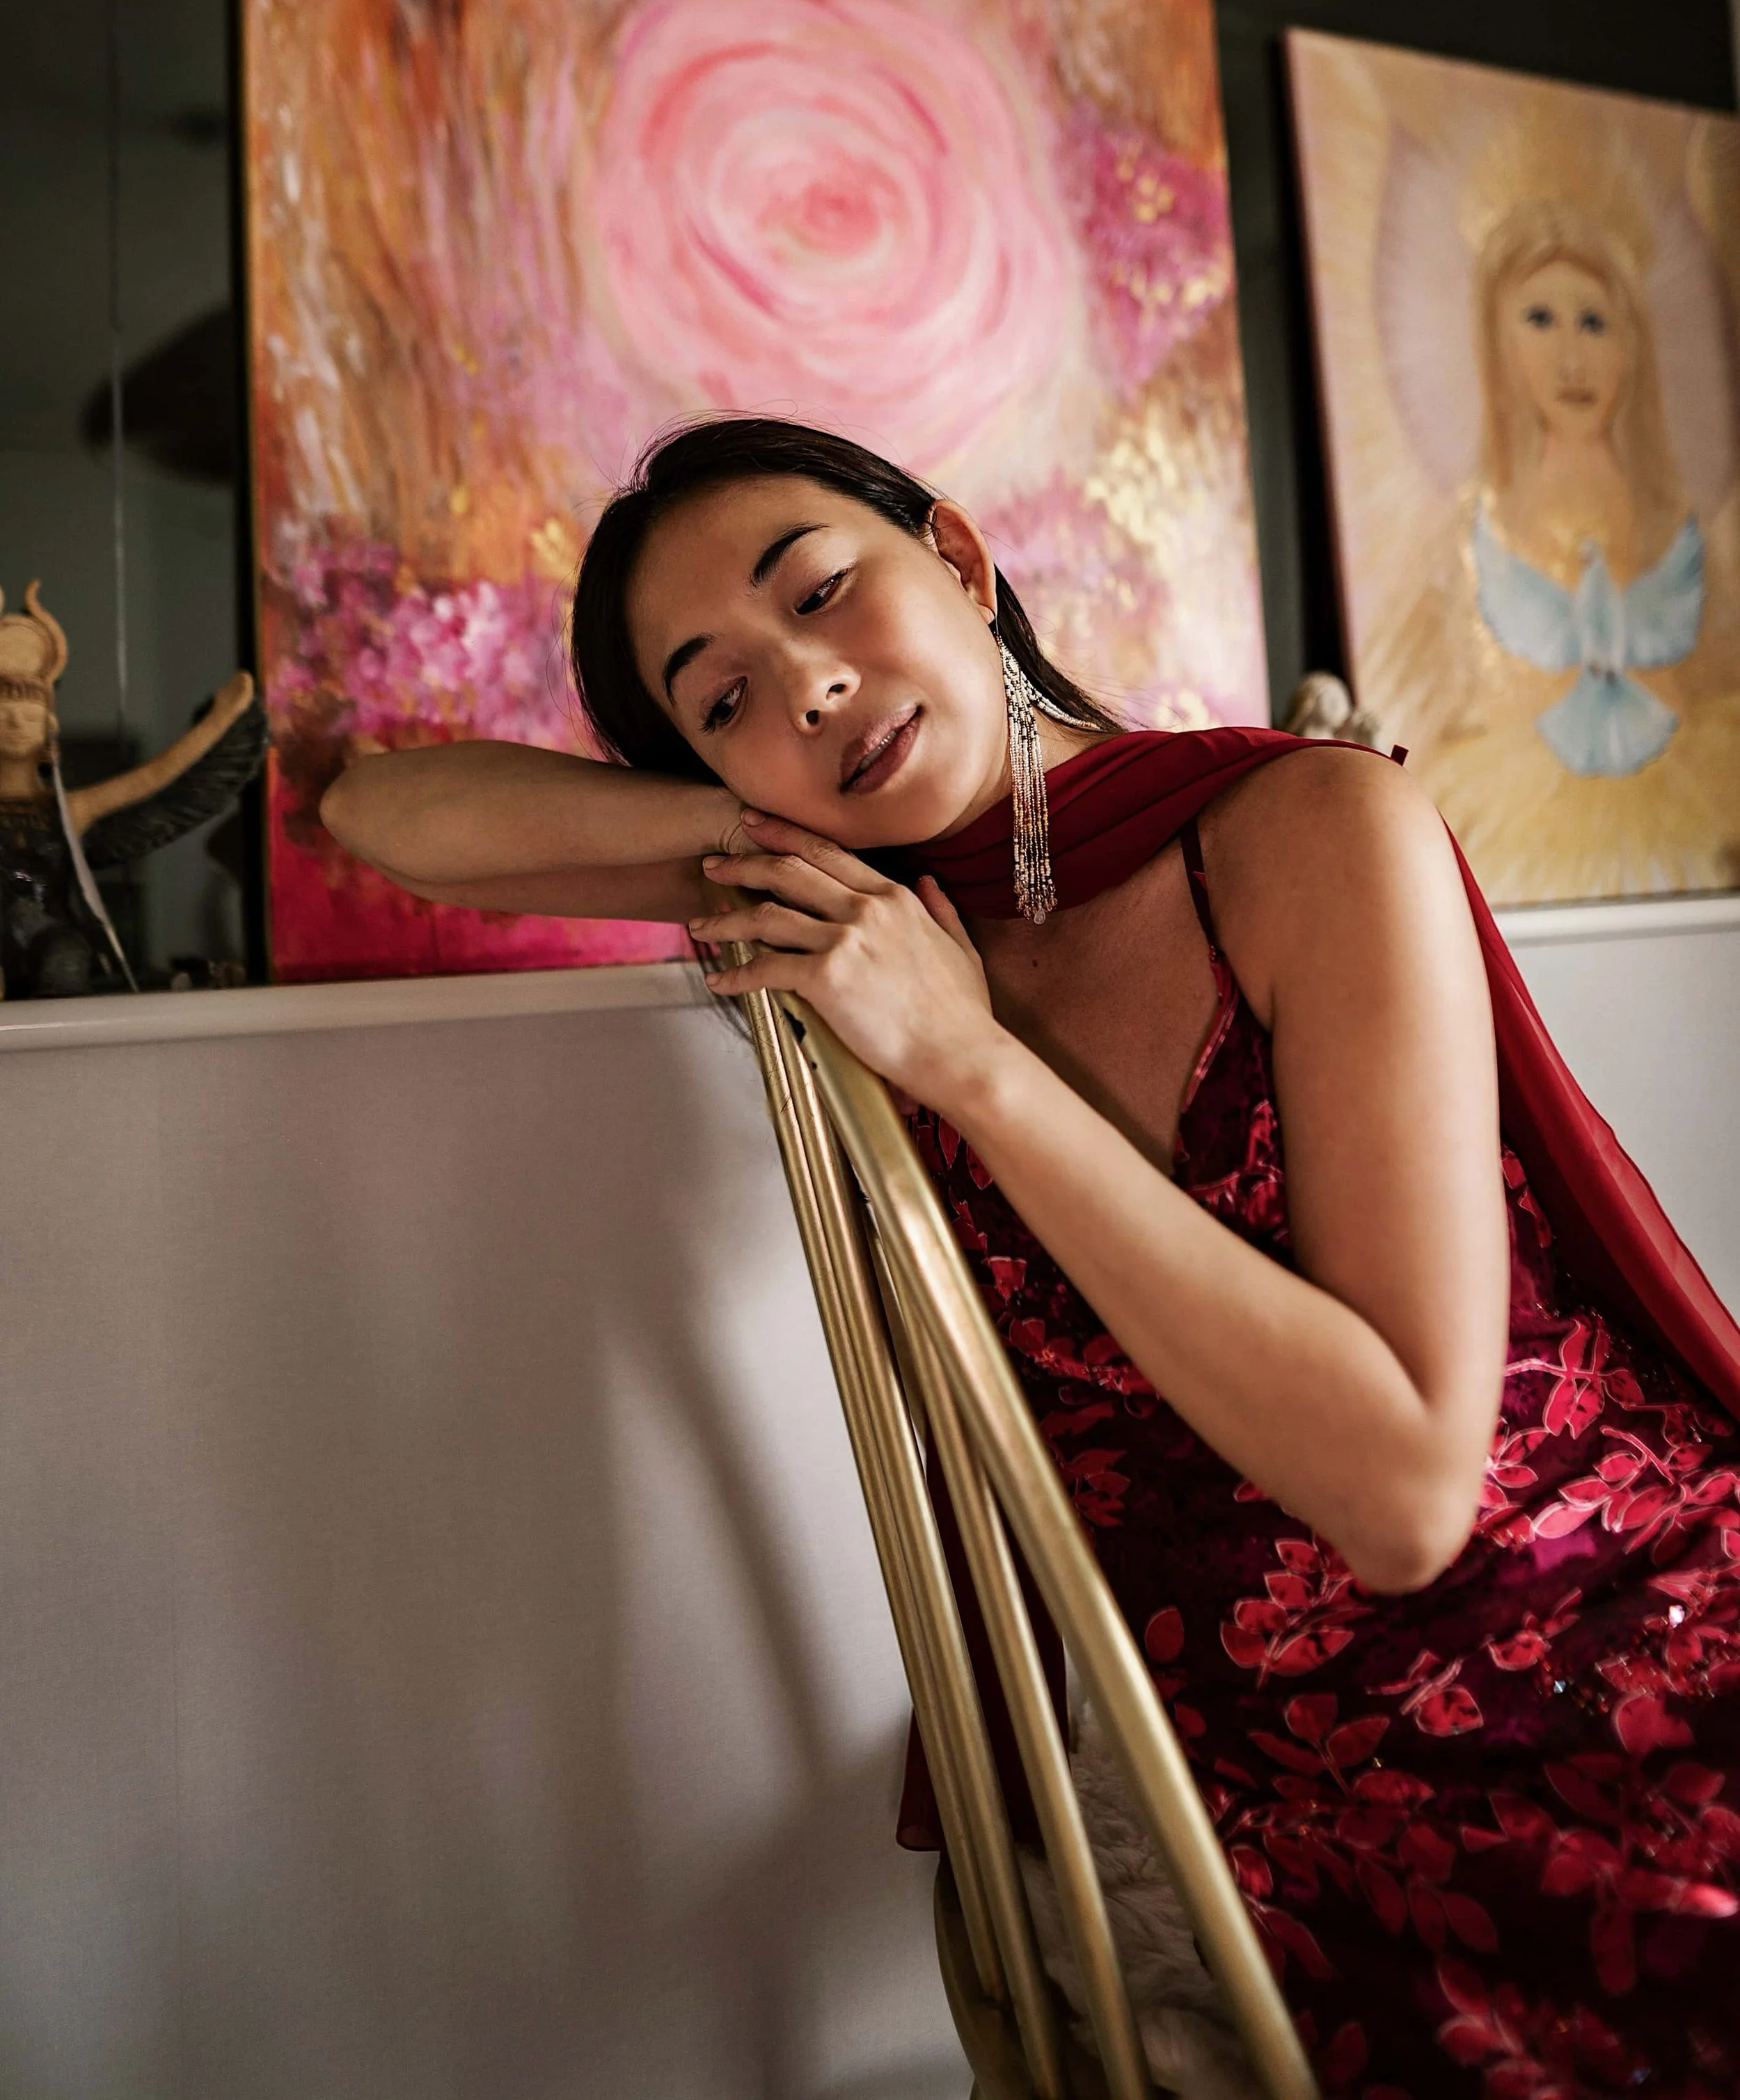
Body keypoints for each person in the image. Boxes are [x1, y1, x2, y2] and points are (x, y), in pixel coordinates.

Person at [324, 416, 1740, 2097]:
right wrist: (763, 792)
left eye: (827, 592)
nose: (809, 685)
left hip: (1594, 1606)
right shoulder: (868, 915)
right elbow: (381, 805)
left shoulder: (1303, 825)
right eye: (721, 690)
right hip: (1270, 1752)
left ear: (965, 561)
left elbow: (1414, 1492)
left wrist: (975, 1063)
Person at [1367, 196, 1740, 903]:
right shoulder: (1465, 529)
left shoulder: (1675, 518)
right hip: (1521, 856)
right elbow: (1415, 698)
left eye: (1594, 322)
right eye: (1539, 318)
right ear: (1494, 340)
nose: (1572, 356)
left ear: (1632, 343)